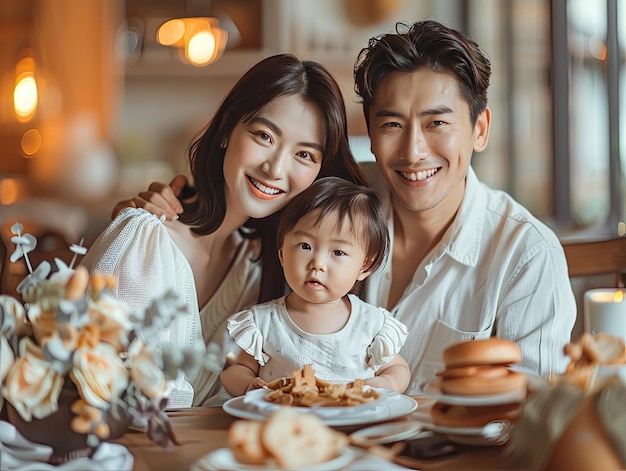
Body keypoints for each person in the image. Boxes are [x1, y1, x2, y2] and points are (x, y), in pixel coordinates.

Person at [115, 20, 577, 395]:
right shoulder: (332, 205)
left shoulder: (526, 255)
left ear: (480, 129)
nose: (414, 150)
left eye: (437, 123)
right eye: (392, 124)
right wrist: (160, 212)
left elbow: (537, 418)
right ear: (370, 134)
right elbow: (256, 192)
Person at [81, 54, 366, 408]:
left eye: (304, 155)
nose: (275, 168)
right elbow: (99, 396)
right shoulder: (145, 241)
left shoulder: (259, 264)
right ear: (227, 132)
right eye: (264, 135)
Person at [220, 177, 410, 397]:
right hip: (286, 423)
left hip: (354, 422)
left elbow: (398, 368)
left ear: (364, 265)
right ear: (282, 253)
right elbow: (235, 369)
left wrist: (386, 383)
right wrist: (248, 385)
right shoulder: (264, 322)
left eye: (338, 252)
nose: (317, 263)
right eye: (305, 246)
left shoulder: (371, 323)